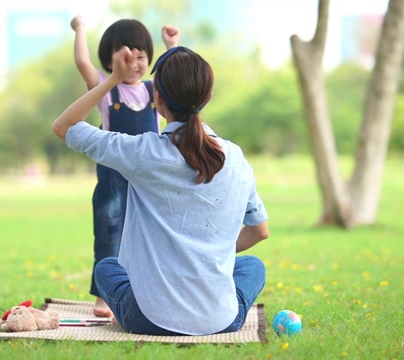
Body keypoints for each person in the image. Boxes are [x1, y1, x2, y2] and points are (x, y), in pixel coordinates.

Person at [52, 46, 269, 335]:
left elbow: (64, 125)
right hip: (223, 319)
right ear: (209, 98)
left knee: (106, 267)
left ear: (157, 99)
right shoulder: (236, 158)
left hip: (148, 318)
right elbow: (260, 231)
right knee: (253, 267)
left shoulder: (141, 152)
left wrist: (113, 79)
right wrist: (207, 253)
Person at [70, 15, 180, 317]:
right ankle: (103, 297)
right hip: (112, 180)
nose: (134, 63)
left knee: (151, 235)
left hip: (148, 179)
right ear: (110, 60)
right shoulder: (107, 90)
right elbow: (82, 61)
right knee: (109, 234)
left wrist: (172, 45)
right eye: (127, 57)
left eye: (141, 57)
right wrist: (80, 29)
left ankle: (150, 293)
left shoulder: (152, 91)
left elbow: (175, 72)